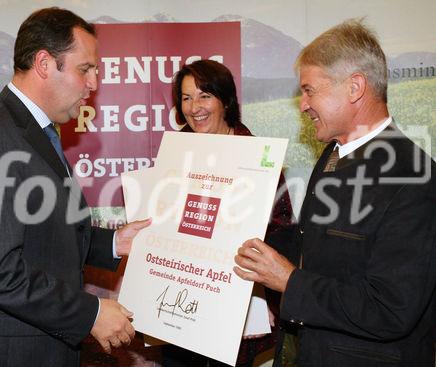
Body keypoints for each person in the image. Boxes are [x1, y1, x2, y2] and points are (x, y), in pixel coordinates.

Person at [0, 7, 151, 367]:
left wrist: (116, 242)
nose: (95, 83)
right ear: (43, 63)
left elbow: (48, 235)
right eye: (85, 69)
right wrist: (91, 313)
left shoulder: (37, 132)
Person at [234, 19, 436, 367]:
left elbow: (390, 309)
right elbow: (317, 249)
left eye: (310, 90)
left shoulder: (415, 179)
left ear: (355, 87)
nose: (303, 105)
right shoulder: (332, 154)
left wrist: (289, 281)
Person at [160, 59, 294, 366]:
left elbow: (283, 230)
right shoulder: (175, 150)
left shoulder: (257, 156)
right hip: (180, 297)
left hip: (237, 296)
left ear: (225, 100)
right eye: (186, 98)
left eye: (205, 95)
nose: (195, 107)